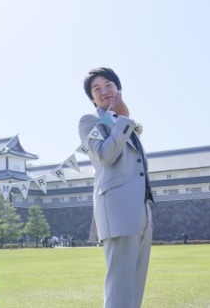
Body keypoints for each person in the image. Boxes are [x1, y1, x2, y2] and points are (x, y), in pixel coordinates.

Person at [78, 67, 154, 308]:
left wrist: (123, 121)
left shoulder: (126, 125)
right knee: (119, 291)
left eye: (108, 85)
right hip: (117, 212)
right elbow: (105, 155)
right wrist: (123, 119)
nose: (104, 91)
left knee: (134, 289)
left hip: (141, 211)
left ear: (118, 89)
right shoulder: (90, 122)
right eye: (96, 89)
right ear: (92, 98)